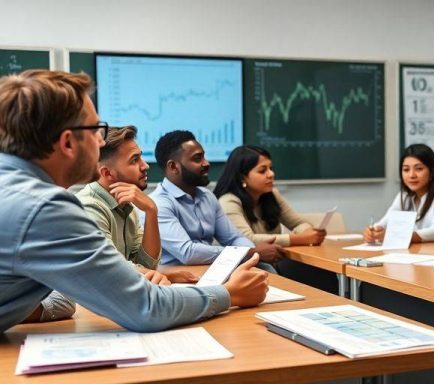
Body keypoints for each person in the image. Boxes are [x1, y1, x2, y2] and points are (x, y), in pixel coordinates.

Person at [0, 70, 268, 332]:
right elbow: (146, 307)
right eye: (96, 130)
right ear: (68, 143)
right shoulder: (44, 207)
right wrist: (229, 294)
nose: (100, 140)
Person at [76, 125, 197, 284]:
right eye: (134, 160)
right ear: (107, 173)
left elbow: (147, 265)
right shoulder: (89, 207)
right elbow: (112, 268)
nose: (145, 165)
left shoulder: (126, 203)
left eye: (140, 157)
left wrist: (151, 211)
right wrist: (162, 275)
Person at [149, 130, 284, 271]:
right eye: (197, 159)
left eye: (204, 157)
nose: (206, 163)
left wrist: (251, 255)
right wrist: (248, 253)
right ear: (173, 167)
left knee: (265, 268)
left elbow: (234, 238)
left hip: (213, 269)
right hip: (179, 277)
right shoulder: (158, 204)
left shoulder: (207, 196)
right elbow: (188, 253)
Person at [214, 145, 326, 247]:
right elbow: (246, 240)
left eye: (270, 169)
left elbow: (300, 223)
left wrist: (307, 233)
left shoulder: (271, 194)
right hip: (242, 264)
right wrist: (298, 239)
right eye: (262, 171)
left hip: (273, 260)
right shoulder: (228, 201)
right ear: (242, 177)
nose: (271, 174)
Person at [364, 143, 434, 244]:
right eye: (406, 169)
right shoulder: (405, 195)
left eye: (419, 169)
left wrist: (396, 235)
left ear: (432, 172)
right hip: (422, 255)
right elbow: (385, 222)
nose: (411, 175)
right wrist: (373, 232)